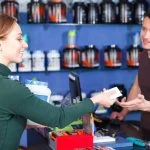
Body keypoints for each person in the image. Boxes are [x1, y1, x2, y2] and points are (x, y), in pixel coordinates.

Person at [0, 13, 116, 150]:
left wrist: (24, 121)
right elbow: (59, 118)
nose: (25, 44)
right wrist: (96, 100)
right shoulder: (10, 89)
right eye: (19, 39)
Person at [111, 10, 150, 132]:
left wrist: (147, 105)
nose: (146, 36)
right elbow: (137, 86)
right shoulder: (143, 56)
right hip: (146, 129)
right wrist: (123, 113)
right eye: (144, 29)